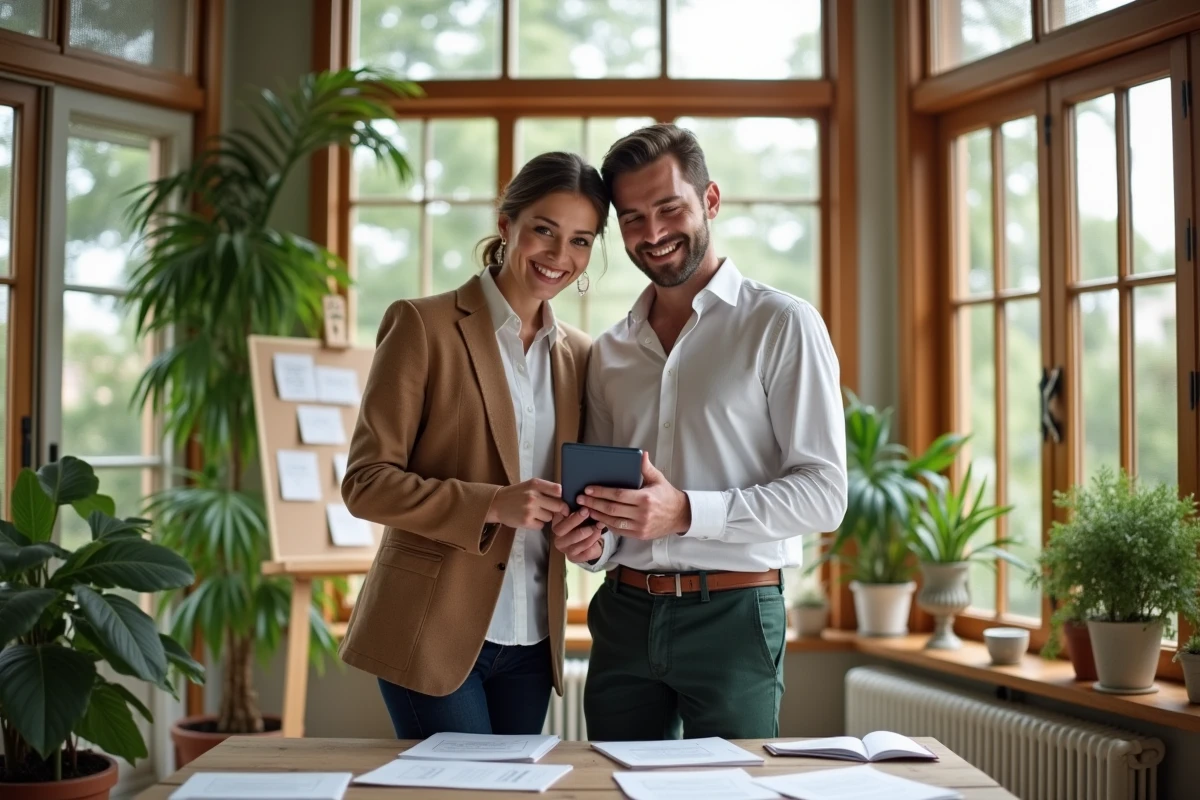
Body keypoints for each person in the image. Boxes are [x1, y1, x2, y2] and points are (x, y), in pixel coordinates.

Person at [551, 124, 848, 740]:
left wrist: (686, 511)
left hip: (736, 615)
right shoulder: (608, 352)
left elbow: (825, 494)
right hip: (623, 614)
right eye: (632, 218)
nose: (653, 234)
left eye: (669, 208)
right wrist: (591, 543)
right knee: (612, 787)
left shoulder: (781, 324)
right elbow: (608, 514)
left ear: (710, 200)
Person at [340, 151, 609, 738]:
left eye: (581, 240)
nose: (560, 256)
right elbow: (364, 483)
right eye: (545, 230)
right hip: (430, 627)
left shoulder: (581, 356)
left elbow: (580, 494)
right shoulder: (422, 325)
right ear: (507, 224)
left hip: (534, 640)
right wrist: (491, 503)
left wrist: (588, 537)